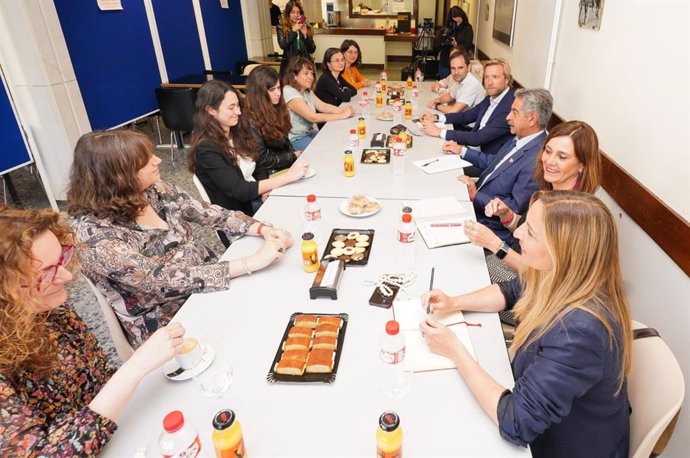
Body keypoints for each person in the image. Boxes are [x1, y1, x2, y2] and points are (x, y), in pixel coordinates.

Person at [420, 191, 632, 457]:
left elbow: (517, 422)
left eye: (530, 232)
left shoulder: (580, 331)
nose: (517, 234)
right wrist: (453, 302)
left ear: (562, 251)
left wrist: (456, 350)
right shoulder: (559, 276)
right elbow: (511, 291)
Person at [68, 130, 293, 348]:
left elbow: (209, 213)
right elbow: (162, 280)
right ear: (117, 176)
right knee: (265, 326)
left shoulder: (154, 189)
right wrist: (250, 263)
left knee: (279, 294)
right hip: (172, 319)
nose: (158, 160)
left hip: (211, 280)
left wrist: (261, 229)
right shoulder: (93, 237)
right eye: (146, 160)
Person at [0, 206, 186, 455]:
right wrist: (135, 367)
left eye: (62, 259)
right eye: (46, 274)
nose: (65, 276)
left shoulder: (50, 311)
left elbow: (98, 380)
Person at [465, 120, 601, 272]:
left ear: (582, 165)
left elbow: (540, 277)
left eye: (562, 157)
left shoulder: (573, 213)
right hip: (509, 255)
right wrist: (507, 215)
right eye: (548, 151)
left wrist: (494, 244)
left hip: (520, 278)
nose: (549, 161)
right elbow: (527, 229)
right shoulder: (549, 189)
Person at [189, 80, 309, 217]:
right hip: (239, 215)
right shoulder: (206, 149)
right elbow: (239, 190)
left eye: (238, 106)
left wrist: (265, 189)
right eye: (231, 107)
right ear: (210, 110)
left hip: (253, 197)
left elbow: (257, 164)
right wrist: (287, 177)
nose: (238, 112)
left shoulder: (235, 131)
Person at [457, 88, 552, 242]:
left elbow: (515, 208)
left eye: (514, 112)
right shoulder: (520, 138)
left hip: (488, 225)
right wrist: (463, 152)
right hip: (473, 204)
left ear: (532, 119)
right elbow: (496, 165)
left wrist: (476, 195)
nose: (508, 117)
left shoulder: (537, 158)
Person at [421, 58, 515, 157]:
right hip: (472, 147)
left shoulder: (510, 106)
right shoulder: (491, 97)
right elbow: (467, 116)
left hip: (484, 160)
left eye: (495, 77)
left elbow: (478, 138)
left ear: (507, 79)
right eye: (487, 77)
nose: (489, 82)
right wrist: (436, 117)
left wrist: (439, 132)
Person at [283, 57, 355, 150]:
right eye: (306, 73)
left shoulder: (306, 90)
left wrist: (344, 110)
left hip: (308, 132)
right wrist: (342, 115)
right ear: (294, 76)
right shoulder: (289, 92)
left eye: (311, 73)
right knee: (325, 150)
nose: (310, 77)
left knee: (334, 142)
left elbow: (322, 106)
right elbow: (313, 117)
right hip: (294, 139)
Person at [243, 65, 301, 177]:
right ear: (258, 92)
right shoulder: (250, 120)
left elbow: (286, 143)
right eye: (272, 89)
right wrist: (292, 157)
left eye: (279, 88)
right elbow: (262, 160)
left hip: (284, 165)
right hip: (269, 174)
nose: (278, 93)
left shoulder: (276, 109)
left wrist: (294, 157)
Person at [426, 48, 484, 115]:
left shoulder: (472, 84)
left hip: (468, 125)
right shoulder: (460, 79)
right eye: (453, 68)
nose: (456, 72)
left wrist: (436, 106)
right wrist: (436, 100)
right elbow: (450, 96)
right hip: (461, 119)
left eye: (460, 68)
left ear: (468, 67)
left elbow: (454, 110)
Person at [277, 1, 316, 76]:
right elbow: (283, 45)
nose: (296, 15)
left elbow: (312, 49)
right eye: (293, 12)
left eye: (298, 12)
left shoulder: (305, 25)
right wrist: (293, 30)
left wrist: (305, 35)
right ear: (288, 14)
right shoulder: (281, 27)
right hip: (289, 66)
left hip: (304, 65)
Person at [437, 6, 473, 78]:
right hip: (446, 61)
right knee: (444, 83)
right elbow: (438, 45)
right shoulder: (446, 28)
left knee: (459, 85)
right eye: (455, 22)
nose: (457, 24)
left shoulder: (468, 28)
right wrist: (445, 41)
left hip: (460, 61)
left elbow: (468, 45)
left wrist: (457, 44)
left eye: (459, 21)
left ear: (463, 17)